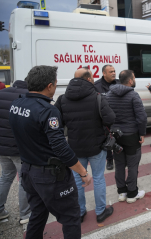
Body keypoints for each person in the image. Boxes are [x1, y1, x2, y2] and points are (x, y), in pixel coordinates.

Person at [8, 66, 92, 239]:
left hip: (28, 172)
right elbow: (60, 147)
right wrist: (82, 172)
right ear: (49, 86)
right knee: (70, 217)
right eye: (54, 84)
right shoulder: (48, 110)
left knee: (38, 214)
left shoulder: (17, 103)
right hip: (49, 175)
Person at [55, 67, 115, 223]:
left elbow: (57, 123)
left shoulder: (62, 99)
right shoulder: (97, 97)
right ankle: (101, 211)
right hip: (96, 146)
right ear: (89, 79)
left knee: (76, 178)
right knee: (98, 178)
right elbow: (110, 119)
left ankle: (80, 212)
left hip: (74, 148)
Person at [106, 70, 147, 203]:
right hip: (131, 135)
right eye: (134, 78)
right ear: (130, 81)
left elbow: (105, 115)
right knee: (132, 165)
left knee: (119, 164)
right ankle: (132, 193)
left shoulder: (108, 94)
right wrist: (142, 133)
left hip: (116, 136)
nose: (134, 80)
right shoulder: (133, 95)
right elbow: (141, 117)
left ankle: (121, 192)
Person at [0, 79, 31, 224]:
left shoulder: (2, 93)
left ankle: (0, 209)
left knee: (6, 176)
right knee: (23, 180)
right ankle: (25, 214)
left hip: (2, 146)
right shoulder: (27, 96)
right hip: (18, 147)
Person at [94, 64, 119, 170]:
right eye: (111, 72)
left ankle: (119, 159)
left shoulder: (119, 83)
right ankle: (109, 160)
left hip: (118, 116)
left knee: (119, 138)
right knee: (108, 139)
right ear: (104, 73)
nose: (113, 73)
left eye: (114, 71)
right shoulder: (96, 85)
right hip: (104, 118)